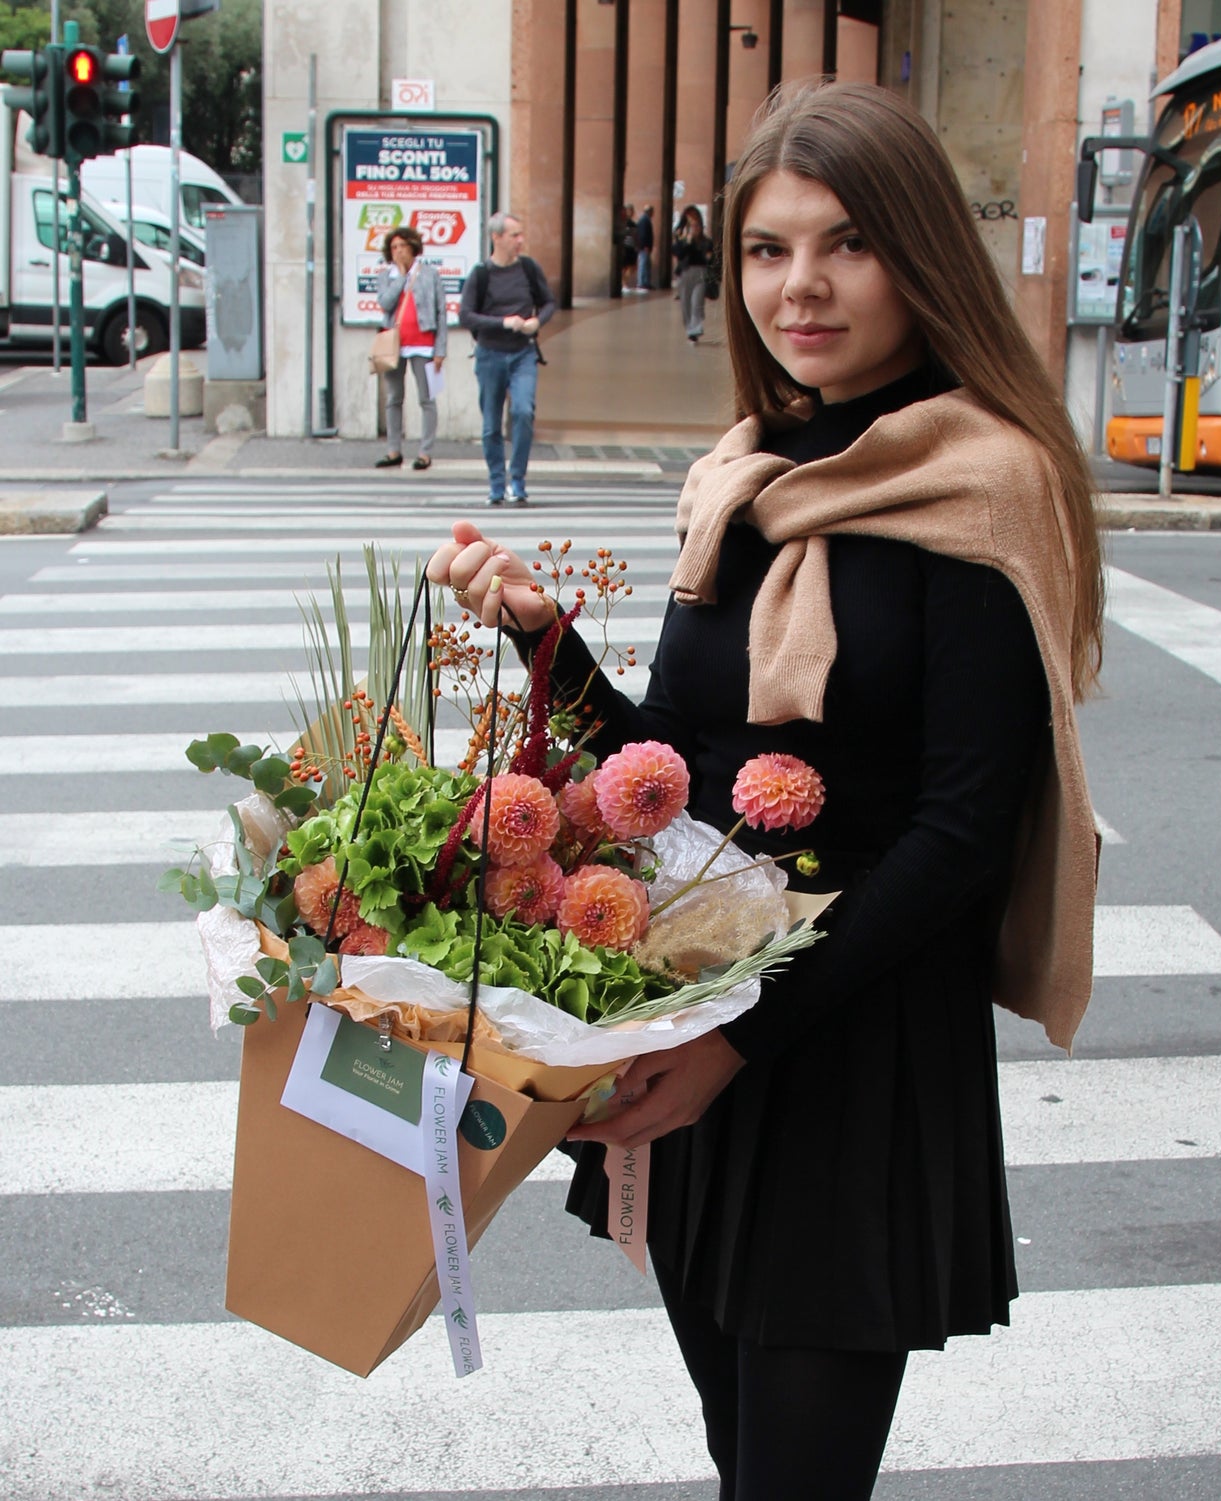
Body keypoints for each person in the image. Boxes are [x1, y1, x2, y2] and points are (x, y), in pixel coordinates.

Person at [429, 80, 1102, 1501]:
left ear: (918, 253)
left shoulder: (988, 485)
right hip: (712, 1035)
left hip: (849, 1051)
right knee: (745, 1454)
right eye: (765, 250)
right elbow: (665, 774)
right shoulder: (743, 478)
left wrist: (736, 1044)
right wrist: (538, 635)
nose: (800, 287)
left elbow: (965, 829)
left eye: (846, 244)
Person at [458, 212, 556, 506]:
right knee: (491, 424)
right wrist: (502, 322)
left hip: (523, 353)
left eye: (521, 234)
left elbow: (549, 302)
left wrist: (537, 322)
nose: (520, 241)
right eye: (514, 235)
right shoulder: (481, 274)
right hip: (490, 354)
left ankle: (518, 481)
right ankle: (497, 485)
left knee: (523, 412)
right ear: (496, 237)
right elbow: (465, 315)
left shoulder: (528, 268)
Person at [373, 226, 447, 471]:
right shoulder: (387, 276)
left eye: (402, 246)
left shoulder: (429, 274)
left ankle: (425, 452)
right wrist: (401, 279)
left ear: (413, 248)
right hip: (395, 346)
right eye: (394, 248)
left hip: (424, 346)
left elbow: (441, 312)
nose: (398, 252)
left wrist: (440, 349)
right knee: (394, 398)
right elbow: (385, 303)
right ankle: (394, 450)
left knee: (427, 399)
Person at [673, 204, 713, 343]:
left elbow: (710, 256)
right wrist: (687, 241)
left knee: (697, 301)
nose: (694, 226)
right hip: (685, 273)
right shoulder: (681, 238)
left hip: (700, 273)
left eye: (696, 223)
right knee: (686, 303)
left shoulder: (705, 240)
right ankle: (689, 327)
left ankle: (695, 329)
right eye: (691, 222)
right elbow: (678, 254)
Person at [635, 204, 655, 291]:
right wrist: (645, 246)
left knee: (646, 264)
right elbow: (643, 234)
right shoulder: (644, 220)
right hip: (644, 247)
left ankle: (645, 282)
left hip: (644, 247)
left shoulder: (645, 219)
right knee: (643, 264)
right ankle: (641, 283)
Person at [619, 204, 638, 290]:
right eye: (629, 211)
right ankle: (623, 284)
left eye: (632, 211)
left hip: (631, 247)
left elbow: (635, 235)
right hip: (626, 247)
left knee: (632, 267)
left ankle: (624, 283)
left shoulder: (631, 223)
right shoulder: (623, 222)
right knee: (625, 267)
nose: (631, 212)